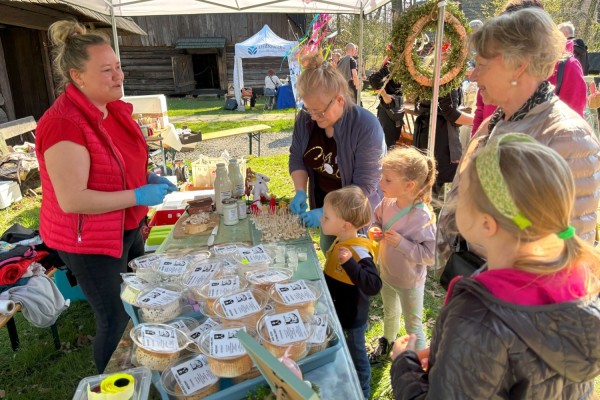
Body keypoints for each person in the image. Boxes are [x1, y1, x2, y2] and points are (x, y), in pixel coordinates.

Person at [390, 134, 600, 399]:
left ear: (487, 224)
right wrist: (452, 355)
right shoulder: (583, 287)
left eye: (464, 194)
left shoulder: (477, 316)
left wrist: (404, 364)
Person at [35, 21, 176, 373]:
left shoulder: (109, 109)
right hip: (88, 240)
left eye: (118, 67)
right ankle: (112, 386)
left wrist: (143, 179)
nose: (119, 76)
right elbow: (73, 200)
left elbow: (113, 167)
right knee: (115, 316)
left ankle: (143, 367)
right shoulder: (63, 124)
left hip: (125, 225)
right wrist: (138, 194)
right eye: (107, 71)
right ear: (77, 76)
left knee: (138, 300)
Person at [437, 8, 600, 270]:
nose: (474, 75)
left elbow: (566, 254)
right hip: (487, 287)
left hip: (517, 302)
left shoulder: (567, 136)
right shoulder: (500, 120)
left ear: (519, 65)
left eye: (483, 66)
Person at [288, 52, 385, 254]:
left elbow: (364, 186)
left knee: (357, 266)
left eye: (320, 112)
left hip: (357, 216)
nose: (314, 117)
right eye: (309, 110)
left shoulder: (365, 126)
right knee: (329, 250)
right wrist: (300, 190)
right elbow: (297, 157)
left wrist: (327, 212)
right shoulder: (306, 120)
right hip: (327, 206)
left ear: (339, 100)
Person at [471, 0, 587, 135]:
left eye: (506, 36)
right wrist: (475, 147)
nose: (474, 76)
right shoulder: (493, 121)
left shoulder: (567, 67)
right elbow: (481, 111)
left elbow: (571, 128)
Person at [367, 147, 437, 364]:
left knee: (413, 324)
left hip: (409, 283)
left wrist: (402, 244)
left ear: (409, 186)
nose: (381, 183)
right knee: (390, 312)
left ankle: (422, 362)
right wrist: (374, 231)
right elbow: (376, 219)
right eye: (382, 177)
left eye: (387, 180)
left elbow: (430, 256)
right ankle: (387, 340)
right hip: (387, 274)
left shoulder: (422, 217)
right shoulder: (387, 202)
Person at [320, 185, 382, 400]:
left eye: (326, 217)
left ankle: (362, 392)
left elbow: (373, 285)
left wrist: (350, 264)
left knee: (357, 358)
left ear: (345, 225)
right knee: (342, 353)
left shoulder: (358, 250)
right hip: (339, 312)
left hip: (352, 319)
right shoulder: (342, 240)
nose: (322, 219)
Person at [369, 44, 406, 149]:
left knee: (390, 143)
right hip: (388, 110)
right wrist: (385, 95)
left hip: (393, 109)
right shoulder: (391, 65)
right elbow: (374, 78)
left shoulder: (398, 65)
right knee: (387, 145)